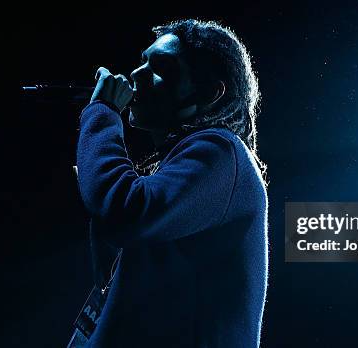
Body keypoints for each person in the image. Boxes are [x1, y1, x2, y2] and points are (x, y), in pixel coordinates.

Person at [71, 19, 269, 347]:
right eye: (143, 60)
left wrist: (103, 113)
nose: (136, 74)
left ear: (208, 92)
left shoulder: (220, 151)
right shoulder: (177, 166)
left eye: (161, 66)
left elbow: (128, 210)